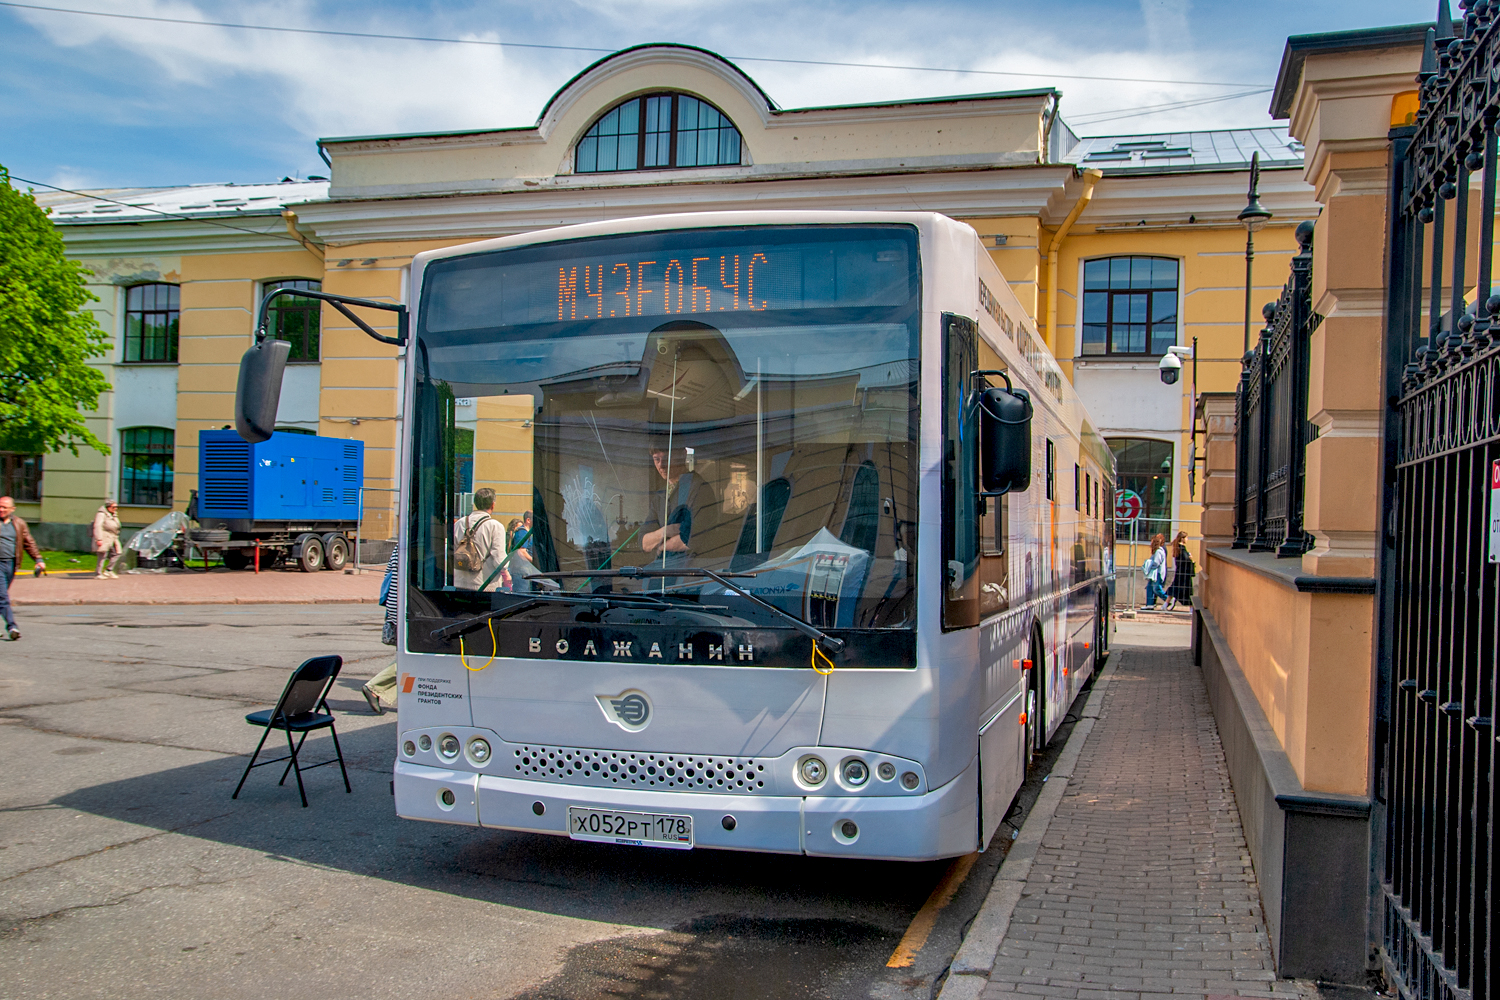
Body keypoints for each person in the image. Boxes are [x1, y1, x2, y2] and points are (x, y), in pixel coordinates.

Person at [640, 443, 717, 589]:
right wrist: (665, 532)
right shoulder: (660, 496)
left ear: (683, 455)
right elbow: (643, 542)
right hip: (663, 578)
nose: (661, 465)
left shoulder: (699, 489)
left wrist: (660, 546)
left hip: (692, 580)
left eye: (666, 458)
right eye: (656, 459)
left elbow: (691, 539)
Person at [0, 496, 45, 641]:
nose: (1, 509)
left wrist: (38, 559)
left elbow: (28, 542)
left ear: (12, 509)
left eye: (4, 507)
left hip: (11, 564)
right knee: (2, 596)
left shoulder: (19, 523)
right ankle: (12, 627)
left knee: (1, 596)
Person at [362, 545, 400, 715]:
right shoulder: (414, 541)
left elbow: (389, 573)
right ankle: (375, 687)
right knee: (419, 656)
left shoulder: (400, 543)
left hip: (396, 603)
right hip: (405, 605)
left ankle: (377, 689)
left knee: (414, 655)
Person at [452, 488, 507, 591]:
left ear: (475, 503)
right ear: (493, 505)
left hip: (460, 582)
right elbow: (499, 560)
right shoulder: (495, 526)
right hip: (484, 584)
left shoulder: (459, 523)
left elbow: (453, 550)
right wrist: (506, 572)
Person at [91, 500, 123, 579]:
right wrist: (99, 539)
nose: (115, 508)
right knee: (102, 555)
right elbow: (98, 526)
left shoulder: (114, 515)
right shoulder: (101, 514)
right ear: (108, 507)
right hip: (104, 536)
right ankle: (98, 573)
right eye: (113, 507)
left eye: (116, 507)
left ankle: (109, 570)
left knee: (118, 553)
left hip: (113, 537)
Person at [1165, 530, 1195, 611]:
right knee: (1187, 591)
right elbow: (1185, 560)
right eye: (1187, 538)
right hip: (1184, 574)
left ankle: (1165, 604)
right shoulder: (1181, 549)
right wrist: (1191, 559)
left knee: (1174, 589)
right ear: (1182, 538)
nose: (1187, 539)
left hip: (1179, 573)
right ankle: (1191, 609)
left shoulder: (1178, 548)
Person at [1142, 532, 1169, 610]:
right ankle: (1149, 604)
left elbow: (1156, 563)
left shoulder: (1158, 551)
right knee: (1149, 588)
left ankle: (1168, 599)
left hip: (1157, 573)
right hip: (1153, 573)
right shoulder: (1157, 551)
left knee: (1156, 588)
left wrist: (1149, 565)